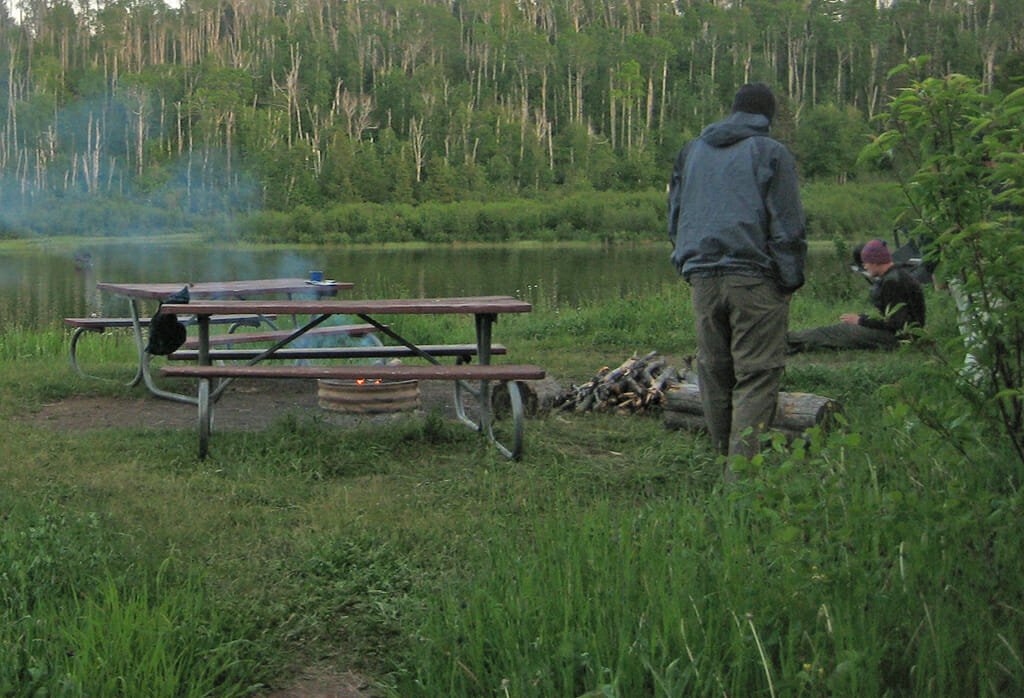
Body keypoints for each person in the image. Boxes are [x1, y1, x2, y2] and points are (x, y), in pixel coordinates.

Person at [668, 82, 807, 468]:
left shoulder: (691, 151)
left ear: (734, 109)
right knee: (757, 374)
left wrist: (685, 261)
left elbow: (675, 216)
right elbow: (788, 225)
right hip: (754, 276)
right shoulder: (770, 152)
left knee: (713, 370)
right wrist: (790, 278)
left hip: (701, 277)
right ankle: (740, 475)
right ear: (767, 115)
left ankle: (720, 457)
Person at [786, 239, 926, 354]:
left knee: (839, 332)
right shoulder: (897, 275)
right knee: (834, 333)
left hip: (900, 339)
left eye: (866, 263)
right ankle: (790, 343)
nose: (865, 267)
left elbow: (896, 323)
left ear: (876, 261)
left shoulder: (893, 282)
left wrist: (861, 320)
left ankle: (787, 340)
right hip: (904, 335)